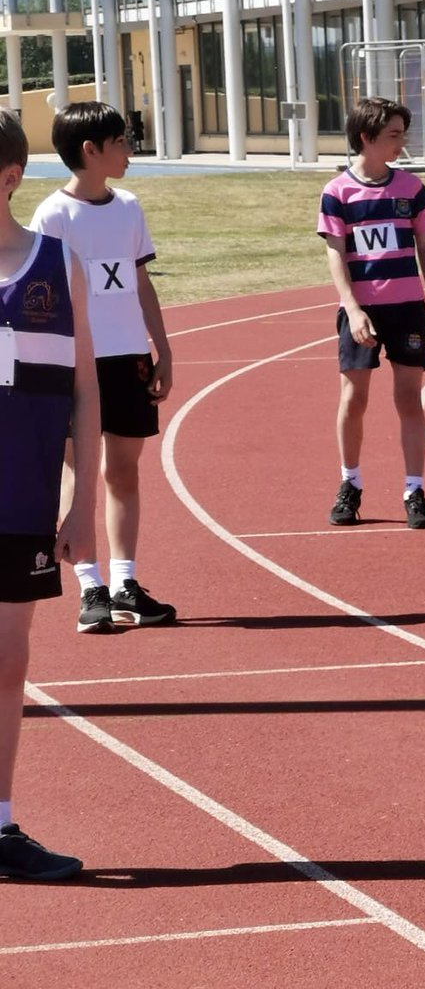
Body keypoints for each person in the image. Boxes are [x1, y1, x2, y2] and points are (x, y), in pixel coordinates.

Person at [30, 102, 176, 634]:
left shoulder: (129, 207)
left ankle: (125, 583)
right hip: (77, 365)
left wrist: (162, 349)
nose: (130, 150)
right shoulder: (53, 215)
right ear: (91, 150)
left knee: (124, 472)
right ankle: (89, 586)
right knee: (80, 470)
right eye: (121, 141)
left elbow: (140, 282)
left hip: (129, 358)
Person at [0, 107, 99, 878]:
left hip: (22, 502)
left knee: (7, 666)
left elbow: (83, 393)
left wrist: (84, 501)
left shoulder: (54, 264)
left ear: (9, 179)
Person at [319, 98, 425, 529]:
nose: (401, 142)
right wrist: (352, 309)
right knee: (354, 399)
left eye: (403, 134)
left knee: (409, 398)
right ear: (366, 138)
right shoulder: (338, 192)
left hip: (408, 307)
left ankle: (414, 489)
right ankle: (349, 483)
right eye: (393, 135)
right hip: (362, 310)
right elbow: (336, 254)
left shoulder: (411, 188)